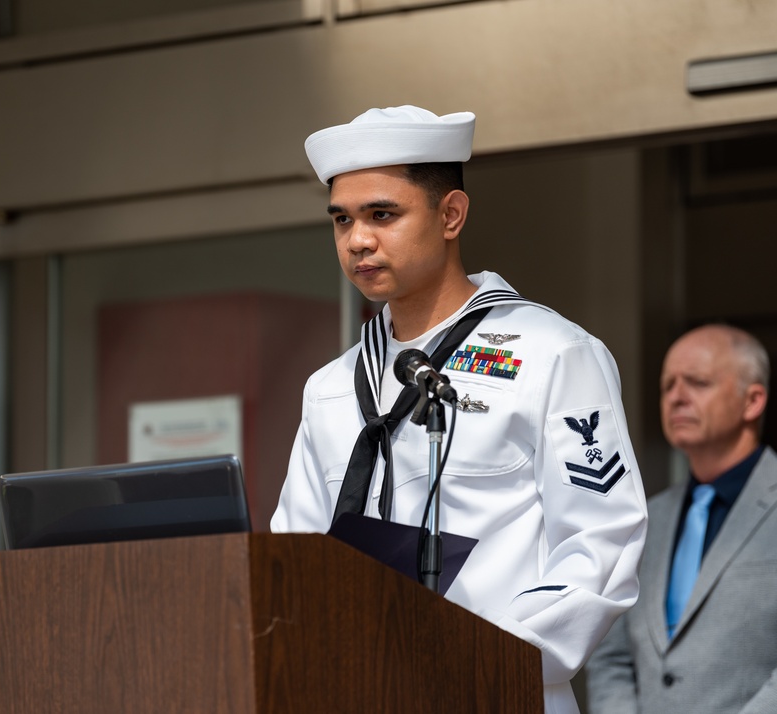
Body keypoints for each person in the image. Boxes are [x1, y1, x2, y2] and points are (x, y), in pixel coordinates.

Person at [270, 105, 648, 714]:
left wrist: (482, 657)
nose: (358, 239)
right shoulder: (330, 387)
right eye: (342, 220)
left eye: (382, 215)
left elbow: (601, 540)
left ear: (451, 215)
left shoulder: (552, 353)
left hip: (497, 690)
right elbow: (299, 555)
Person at [586, 324, 775, 713]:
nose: (676, 397)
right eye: (667, 385)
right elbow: (612, 657)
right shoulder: (643, 516)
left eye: (698, 383)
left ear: (752, 400)